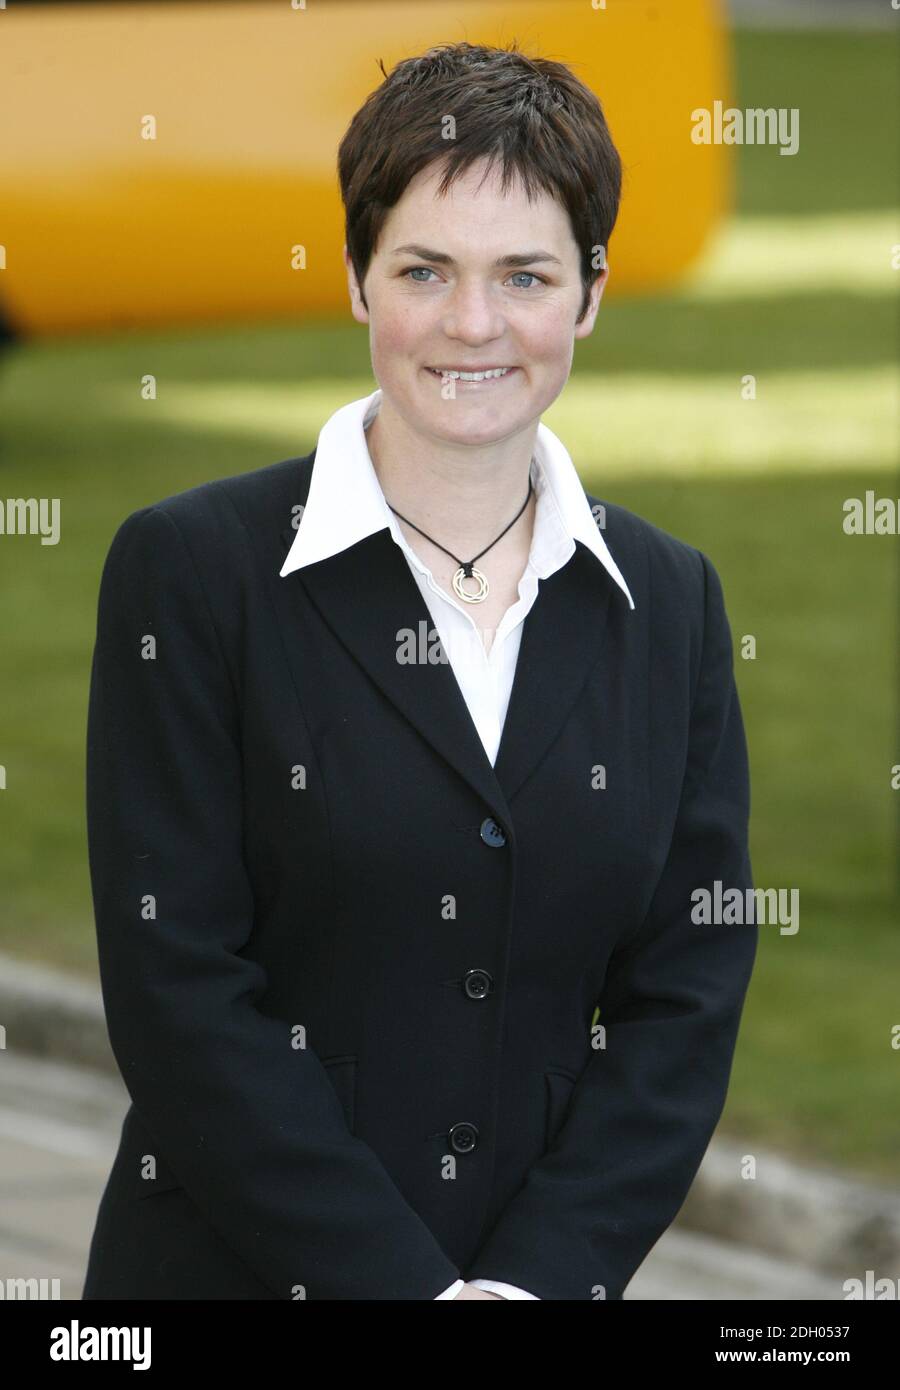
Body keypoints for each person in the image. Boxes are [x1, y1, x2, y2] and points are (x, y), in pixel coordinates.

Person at [81, 40, 757, 1301]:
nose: (473, 324)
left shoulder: (669, 601)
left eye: (527, 275)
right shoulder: (191, 569)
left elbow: (687, 991)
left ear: (592, 294)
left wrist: (533, 1283)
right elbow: (178, 990)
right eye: (425, 270)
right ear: (355, 279)